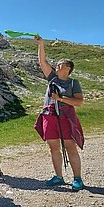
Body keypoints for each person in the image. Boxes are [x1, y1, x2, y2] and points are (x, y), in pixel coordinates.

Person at [34, 36, 85, 191]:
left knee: (70, 146)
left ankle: (77, 179)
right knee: (53, 147)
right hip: (49, 116)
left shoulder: (73, 83)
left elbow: (79, 101)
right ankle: (58, 176)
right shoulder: (52, 78)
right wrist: (41, 44)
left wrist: (61, 98)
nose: (57, 65)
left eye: (60, 64)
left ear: (68, 68)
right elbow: (42, 62)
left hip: (65, 117)